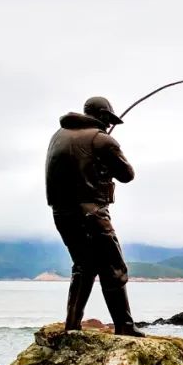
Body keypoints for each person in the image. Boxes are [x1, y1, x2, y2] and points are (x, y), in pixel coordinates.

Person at [45, 96, 144, 336]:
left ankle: (72, 324)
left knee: (84, 266)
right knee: (113, 267)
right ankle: (124, 326)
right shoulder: (102, 140)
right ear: (101, 116)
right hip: (92, 213)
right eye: (108, 119)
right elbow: (127, 175)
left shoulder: (57, 136)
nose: (109, 124)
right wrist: (107, 151)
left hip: (61, 212)